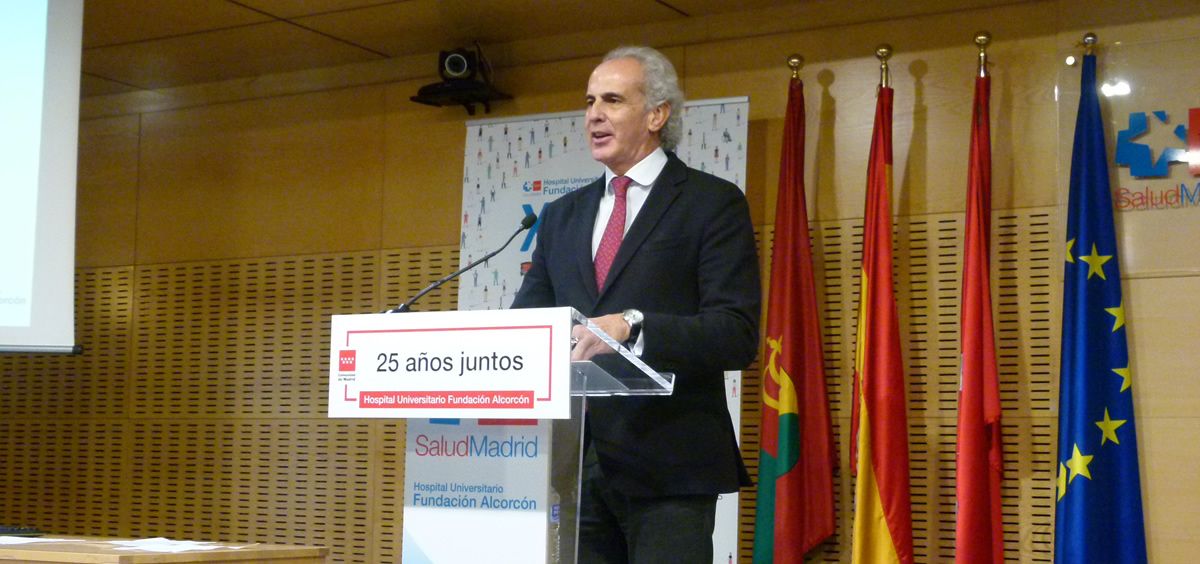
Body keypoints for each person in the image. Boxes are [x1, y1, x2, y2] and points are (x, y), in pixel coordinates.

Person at [511, 45, 761, 563]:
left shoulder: (711, 203)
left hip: (670, 464)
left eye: (612, 100)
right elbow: (528, 324)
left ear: (657, 115)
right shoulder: (561, 215)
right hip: (575, 463)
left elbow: (734, 333)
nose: (594, 115)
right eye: (589, 102)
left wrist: (633, 326)